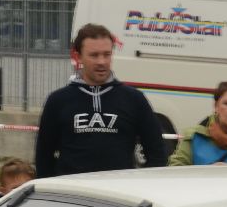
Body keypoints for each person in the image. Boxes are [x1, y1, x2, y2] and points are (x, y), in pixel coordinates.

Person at [36, 23, 166, 177]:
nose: (101, 62)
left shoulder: (134, 99)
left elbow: (157, 152)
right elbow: (43, 157)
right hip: (71, 190)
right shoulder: (58, 101)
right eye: (94, 55)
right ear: (78, 56)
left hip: (118, 190)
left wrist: (139, 185)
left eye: (106, 54)